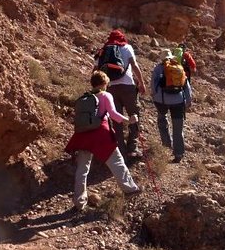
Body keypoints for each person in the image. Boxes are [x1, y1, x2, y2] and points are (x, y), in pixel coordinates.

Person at [65, 71, 141, 211]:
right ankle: (130, 189)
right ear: (105, 83)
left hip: (83, 135)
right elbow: (113, 114)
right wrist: (129, 120)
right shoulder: (105, 95)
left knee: (82, 169)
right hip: (100, 134)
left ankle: (79, 202)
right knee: (117, 161)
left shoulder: (85, 97)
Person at [93, 29, 147, 159]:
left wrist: (96, 89)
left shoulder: (103, 50)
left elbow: (95, 70)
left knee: (116, 119)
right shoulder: (127, 47)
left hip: (110, 88)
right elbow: (134, 65)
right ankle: (132, 148)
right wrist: (141, 83)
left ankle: (120, 152)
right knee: (134, 115)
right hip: (128, 87)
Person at [151, 49, 193, 163]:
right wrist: (188, 100)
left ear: (162, 58)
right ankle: (178, 153)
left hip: (162, 101)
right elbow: (186, 85)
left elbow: (153, 85)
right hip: (178, 101)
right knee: (178, 127)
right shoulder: (178, 67)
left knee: (162, 120)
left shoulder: (158, 68)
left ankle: (166, 146)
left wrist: (155, 98)